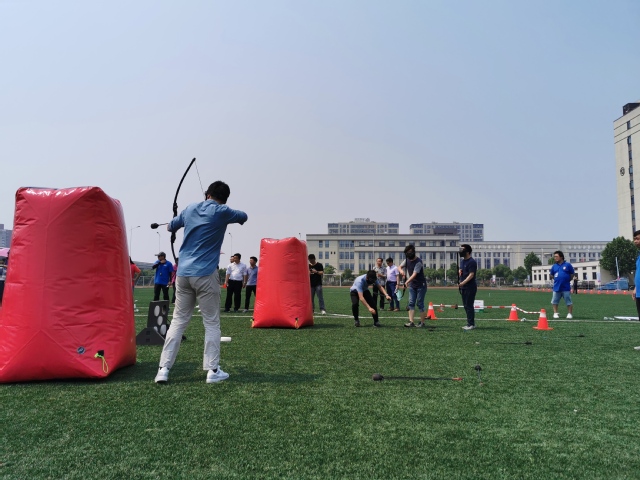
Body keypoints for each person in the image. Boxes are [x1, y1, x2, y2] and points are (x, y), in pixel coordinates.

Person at [155, 180, 247, 384]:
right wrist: (225, 212)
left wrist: (177, 219)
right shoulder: (223, 211)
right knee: (211, 322)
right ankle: (212, 371)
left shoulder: (190, 208)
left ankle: (163, 370)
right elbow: (243, 216)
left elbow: (170, 226)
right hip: (205, 274)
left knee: (178, 321)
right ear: (224, 199)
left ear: (207, 194)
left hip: (183, 274)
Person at [398, 244, 427, 328]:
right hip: (412, 285)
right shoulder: (407, 260)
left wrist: (406, 282)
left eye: (410, 252)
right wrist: (401, 271)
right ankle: (411, 322)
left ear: (413, 252)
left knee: (420, 303)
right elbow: (399, 267)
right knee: (411, 303)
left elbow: (414, 274)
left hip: (421, 285)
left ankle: (422, 323)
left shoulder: (418, 261)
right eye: (407, 253)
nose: (408, 254)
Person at [550, 250, 575, 319]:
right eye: (554, 256)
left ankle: (569, 313)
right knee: (555, 301)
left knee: (568, 301)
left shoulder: (568, 265)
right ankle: (555, 313)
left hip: (565, 287)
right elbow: (551, 274)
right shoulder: (554, 266)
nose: (555, 258)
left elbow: (572, 274)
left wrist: (567, 279)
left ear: (561, 257)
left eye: (556, 256)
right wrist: (556, 278)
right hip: (556, 287)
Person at [458, 244, 478, 330]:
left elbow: (471, 274)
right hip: (464, 287)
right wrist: (460, 271)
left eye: (462, 250)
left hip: (470, 287)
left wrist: (463, 283)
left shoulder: (472, 262)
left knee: (469, 306)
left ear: (468, 252)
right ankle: (469, 323)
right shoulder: (462, 261)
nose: (460, 251)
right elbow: (462, 270)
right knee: (466, 306)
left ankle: (471, 324)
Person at [632, 230, 640, 350]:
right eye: (634, 239)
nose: (635, 241)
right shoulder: (638, 256)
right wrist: (635, 288)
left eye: (638, 238)